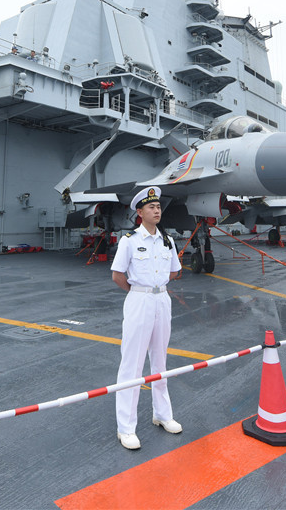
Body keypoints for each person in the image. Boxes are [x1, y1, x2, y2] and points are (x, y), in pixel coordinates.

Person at [111, 186, 183, 450]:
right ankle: (126, 428)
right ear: (139, 212)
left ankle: (162, 415)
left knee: (160, 361)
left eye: (159, 207)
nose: (157, 210)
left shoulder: (168, 241)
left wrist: (156, 289)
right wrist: (140, 292)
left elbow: (175, 271)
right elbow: (118, 275)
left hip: (162, 300)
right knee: (132, 365)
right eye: (151, 207)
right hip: (139, 300)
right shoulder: (129, 240)